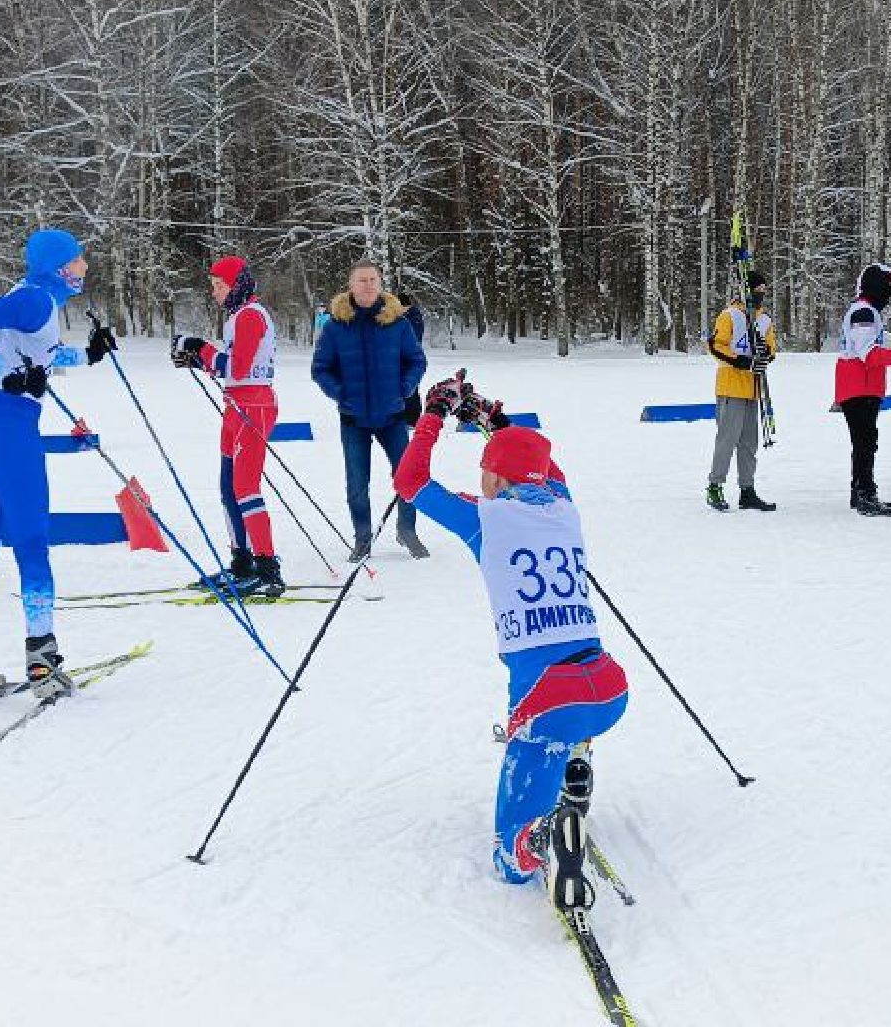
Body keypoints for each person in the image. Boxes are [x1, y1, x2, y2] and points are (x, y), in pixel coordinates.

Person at [392, 374, 630, 913]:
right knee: (573, 718)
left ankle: (533, 841)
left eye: (485, 475)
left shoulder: (485, 518)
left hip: (549, 699)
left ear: (495, 481)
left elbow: (410, 480)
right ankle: (574, 772)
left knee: (509, 863)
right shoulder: (566, 507)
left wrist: (433, 414)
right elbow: (548, 470)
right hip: (608, 686)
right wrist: (491, 421)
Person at [0, 231, 116, 702]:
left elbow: (42, 356)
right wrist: (8, 376)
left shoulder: (31, 300)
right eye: (78, 260)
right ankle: (43, 665)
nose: (84, 267)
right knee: (32, 543)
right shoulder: (37, 299)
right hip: (6, 431)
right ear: (58, 267)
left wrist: (90, 354)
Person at [174, 255, 286, 595]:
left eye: (220, 286)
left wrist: (200, 348)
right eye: (213, 286)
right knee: (227, 488)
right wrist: (197, 360)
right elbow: (232, 368)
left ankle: (268, 569)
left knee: (246, 488)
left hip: (254, 406)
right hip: (236, 405)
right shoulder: (238, 317)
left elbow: (238, 367)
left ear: (238, 285)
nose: (215, 293)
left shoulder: (251, 315)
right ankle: (242, 562)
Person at [311, 260, 429, 559]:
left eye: (373, 279)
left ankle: (407, 530)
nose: (368, 285)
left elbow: (417, 361)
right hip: (354, 418)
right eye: (362, 280)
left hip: (392, 415)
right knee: (356, 483)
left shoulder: (397, 322)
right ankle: (362, 538)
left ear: (380, 283)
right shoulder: (336, 326)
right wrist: (341, 394)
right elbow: (321, 369)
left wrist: (405, 389)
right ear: (351, 285)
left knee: (408, 475)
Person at [836, 262, 891, 516]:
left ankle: (861, 491)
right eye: (888, 286)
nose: (890, 292)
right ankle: (865, 493)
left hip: (864, 387)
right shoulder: (863, 312)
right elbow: (868, 351)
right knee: (865, 441)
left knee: (865, 441)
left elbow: (878, 338)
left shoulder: (867, 312)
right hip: (858, 387)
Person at [705, 270, 779, 512]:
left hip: (753, 388)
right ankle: (715, 486)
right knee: (727, 439)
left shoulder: (764, 318)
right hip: (730, 386)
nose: (761, 294)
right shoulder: (730, 315)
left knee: (749, 443)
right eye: (757, 290)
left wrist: (765, 356)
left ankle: (747, 490)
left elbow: (771, 348)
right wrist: (740, 361)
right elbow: (715, 346)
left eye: (764, 290)